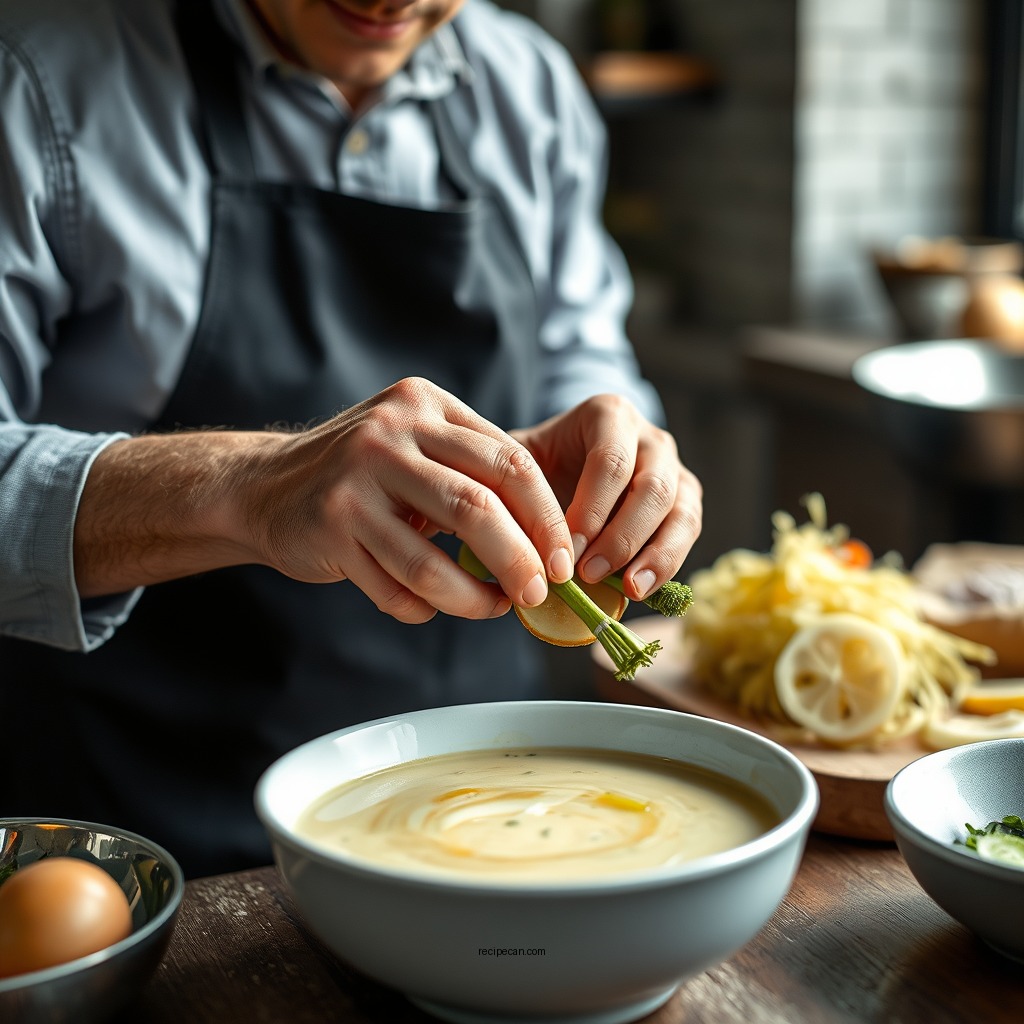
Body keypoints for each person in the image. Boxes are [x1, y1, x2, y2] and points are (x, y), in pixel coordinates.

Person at [0, 0, 702, 878]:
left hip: (481, 825)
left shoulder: (532, 89)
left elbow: (582, 352)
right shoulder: (37, 82)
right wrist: (254, 483)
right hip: (138, 841)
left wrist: (622, 442)